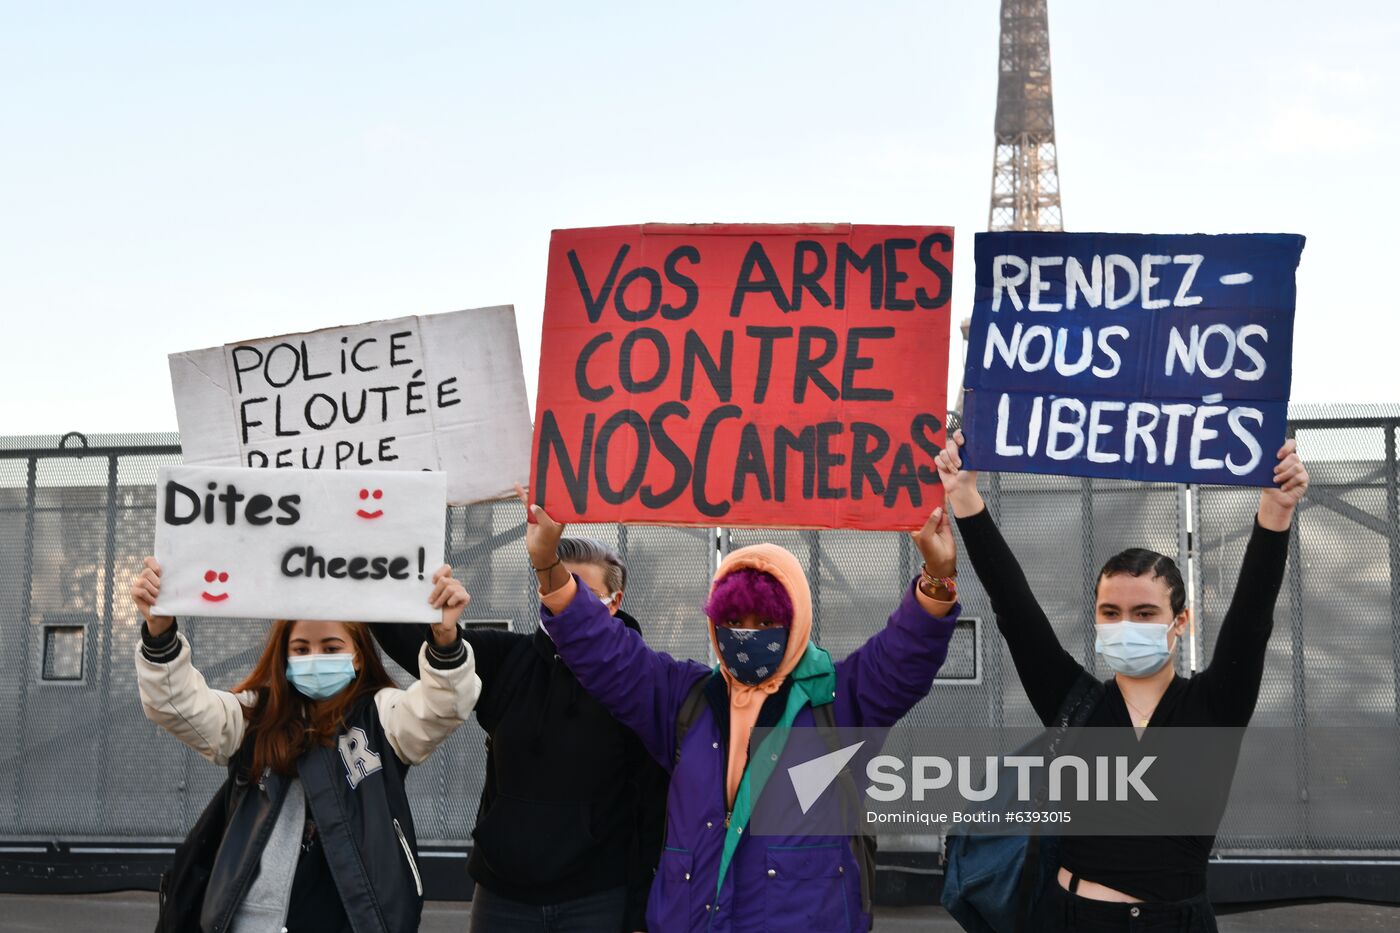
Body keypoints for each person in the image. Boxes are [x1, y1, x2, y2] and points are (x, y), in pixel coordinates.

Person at [519, 487, 964, 932]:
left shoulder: (840, 700)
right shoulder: (685, 698)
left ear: (795, 624)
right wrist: (547, 566)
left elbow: (904, 656)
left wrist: (938, 576)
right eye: (732, 623)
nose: (746, 637)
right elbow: (608, 654)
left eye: (765, 623)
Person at [934, 430, 1309, 933]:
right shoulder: (1077, 705)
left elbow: (1252, 621)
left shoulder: (1215, 707)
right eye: (1111, 611)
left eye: (1145, 612)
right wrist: (964, 497)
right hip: (1064, 918)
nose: (1125, 624)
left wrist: (1276, 511)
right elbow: (1014, 609)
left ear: (1181, 621)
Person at [130, 557, 481, 933]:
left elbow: (441, 707)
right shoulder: (254, 716)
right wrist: (160, 630)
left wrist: (445, 641)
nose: (315, 658)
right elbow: (177, 705)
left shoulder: (382, 716)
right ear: (284, 657)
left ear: (358, 656)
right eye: (301, 649)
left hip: (354, 918)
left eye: (331, 648)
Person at [371, 534, 669, 932]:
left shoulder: (638, 678)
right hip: (504, 897)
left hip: (597, 900)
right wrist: (363, 576)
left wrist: (640, 912)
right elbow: (419, 645)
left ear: (615, 602)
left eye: (585, 595)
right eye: (560, 590)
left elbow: (652, 804)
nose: (568, 604)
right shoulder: (510, 659)